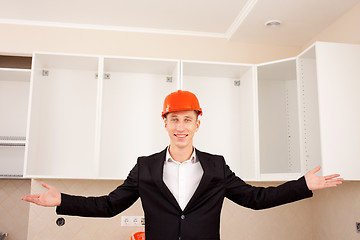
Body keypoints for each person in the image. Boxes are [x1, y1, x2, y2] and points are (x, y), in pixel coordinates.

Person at [22, 90, 343, 240]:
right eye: (174, 119)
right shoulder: (145, 167)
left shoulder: (217, 167)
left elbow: (255, 200)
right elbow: (109, 205)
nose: (180, 126)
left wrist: (302, 185)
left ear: (197, 123)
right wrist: (61, 200)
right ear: (165, 122)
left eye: (187, 120)